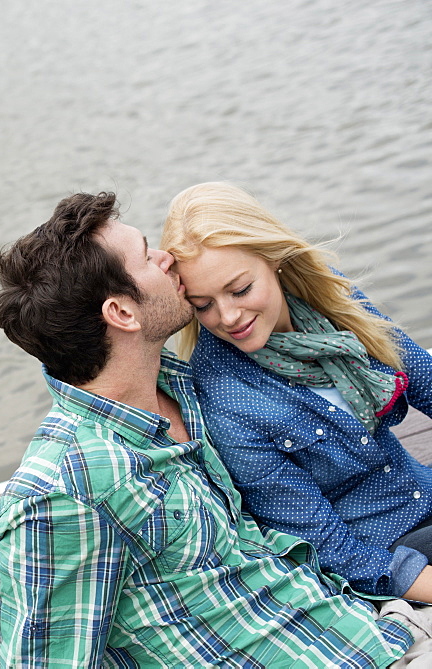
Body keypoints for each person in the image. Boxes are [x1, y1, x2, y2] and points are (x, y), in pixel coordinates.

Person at [0, 189, 422, 667]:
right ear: (122, 313)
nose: (166, 258)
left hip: (368, 632)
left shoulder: (178, 392)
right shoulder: (65, 493)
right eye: (146, 254)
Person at [160, 181, 432, 606]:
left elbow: (422, 377)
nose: (228, 317)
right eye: (203, 304)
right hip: (382, 559)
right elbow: (324, 547)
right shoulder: (226, 398)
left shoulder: (332, 298)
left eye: (240, 289)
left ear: (275, 261)